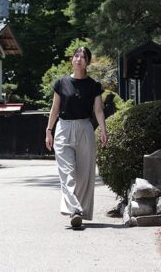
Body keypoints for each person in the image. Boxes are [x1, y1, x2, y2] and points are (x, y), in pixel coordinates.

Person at [45, 46, 108, 228]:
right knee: (67, 173)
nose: (79, 59)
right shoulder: (61, 83)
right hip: (63, 129)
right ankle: (75, 210)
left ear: (88, 62)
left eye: (83, 56)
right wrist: (49, 130)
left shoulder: (94, 86)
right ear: (72, 60)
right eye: (76, 56)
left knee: (84, 175)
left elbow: (98, 110)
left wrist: (103, 130)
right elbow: (55, 109)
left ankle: (78, 210)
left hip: (85, 129)